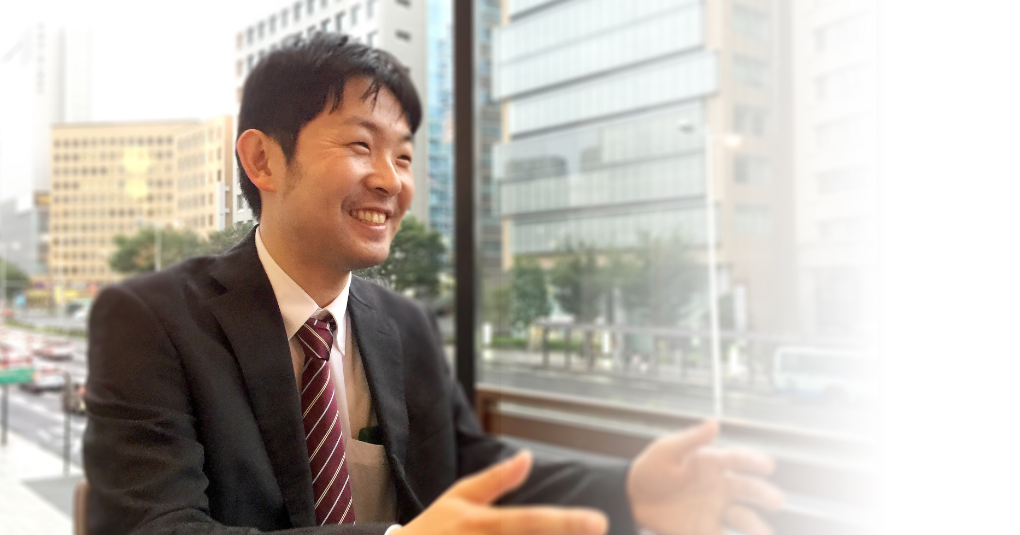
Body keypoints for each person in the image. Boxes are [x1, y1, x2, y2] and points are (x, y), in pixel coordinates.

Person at [83, 34, 783, 535]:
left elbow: (476, 469)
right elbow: (157, 526)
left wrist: (628, 489)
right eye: (361, 145)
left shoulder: (402, 325)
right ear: (262, 160)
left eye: (405, 156)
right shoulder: (149, 319)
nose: (390, 180)